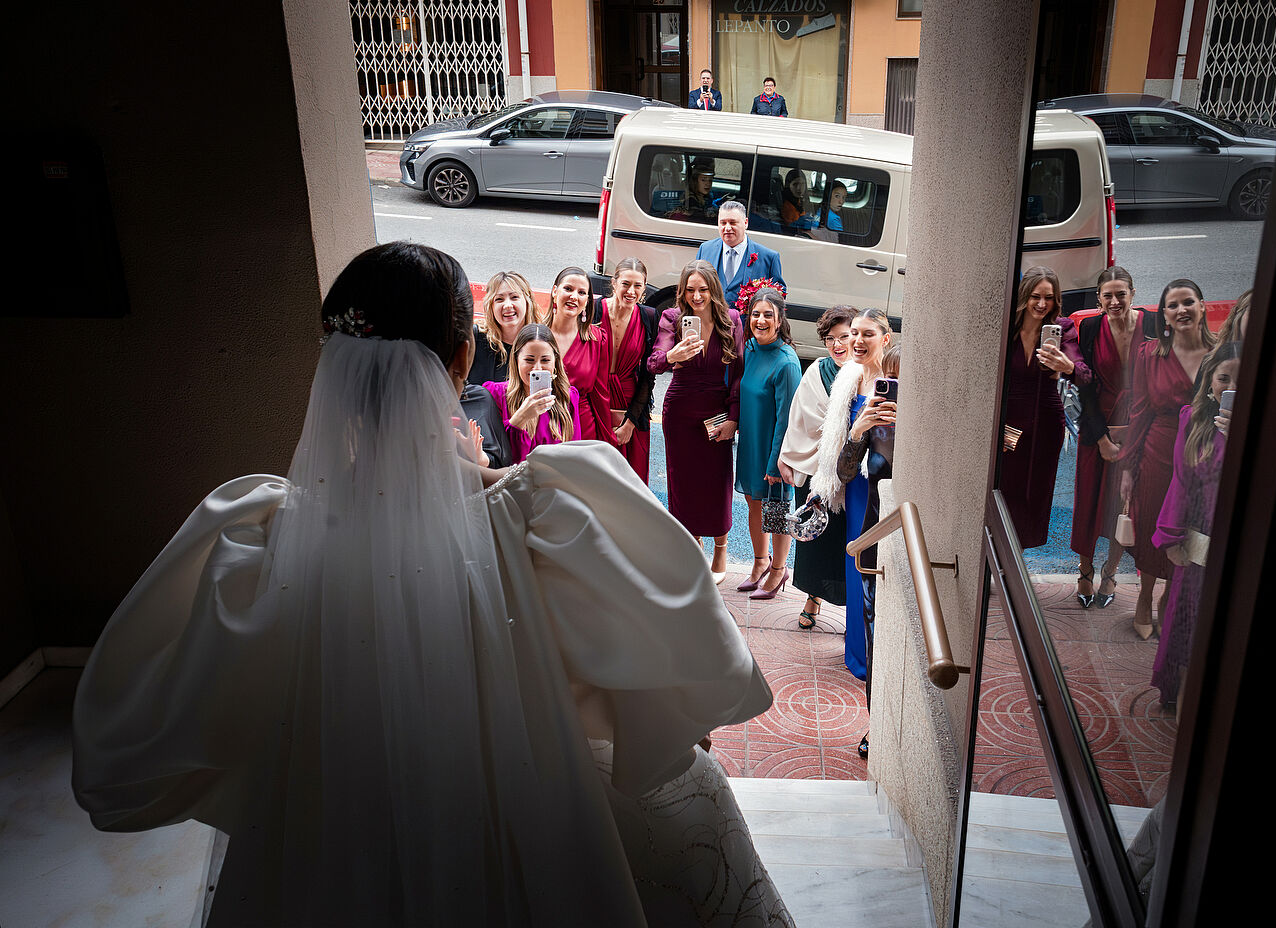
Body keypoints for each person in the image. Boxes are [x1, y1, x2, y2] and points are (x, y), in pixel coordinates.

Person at [70, 242, 788, 926]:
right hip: (531, 807)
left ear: (336, 367)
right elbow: (684, 673)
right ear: (465, 357)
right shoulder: (548, 516)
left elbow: (147, 736)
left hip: (334, 831)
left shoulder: (260, 543)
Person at [1119, 278, 1217, 639]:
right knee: (1152, 527)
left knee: (1190, 529)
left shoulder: (1219, 354)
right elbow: (1139, 412)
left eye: (1188, 302)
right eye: (1172, 305)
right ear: (1164, 315)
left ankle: (1168, 598)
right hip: (1158, 454)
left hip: (1203, 453)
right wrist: (1128, 467)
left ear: (1202, 306)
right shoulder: (1149, 354)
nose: (1181, 310)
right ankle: (1145, 597)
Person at [1151, 341, 1242, 706]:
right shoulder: (1193, 419)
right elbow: (1181, 480)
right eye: (1224, 378)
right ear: (1209, 381)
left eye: (1243, 379)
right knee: (1189, 621)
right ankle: (1185, 696)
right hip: (1200, 540)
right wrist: (1171, 536)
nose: (1232, 386)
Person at [647, 260, 745, 584]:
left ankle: (721, 548)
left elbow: (738, 374)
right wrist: (672, 355)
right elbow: (654, 362)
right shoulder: (672, 318)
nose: (697, 296)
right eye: (690, 290)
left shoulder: (731, 320)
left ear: (713, 289)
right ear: (682, 291)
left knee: (718, 481)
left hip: (716, 409)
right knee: (683, 483)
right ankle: (692, 546)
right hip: (680, 410)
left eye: (703, 289)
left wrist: (734, 418)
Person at [811, 308, 894, 683]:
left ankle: (878, 656)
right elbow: (839, 443)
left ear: (885, 339)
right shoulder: (848, 376)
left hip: (884, 486)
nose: (857, 341)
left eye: (867, 334)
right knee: (856, 563)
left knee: (879, 570)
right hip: (855, 484)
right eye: (854, 333)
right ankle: (857, 653)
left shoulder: (896, 380)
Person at [1071, 266, 1158, 607]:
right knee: (1089, 503)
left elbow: (1159, 381)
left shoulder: (1153, 324)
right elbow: (1084, 388)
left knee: (1125, 504)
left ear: (1133, 293)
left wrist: (1134, 433)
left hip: (1141, 428)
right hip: (1097, 428)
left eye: (1121, 294)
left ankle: (1110, 573)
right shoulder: (1091, 328)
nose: (1115, 301)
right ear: (1099, 298)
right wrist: (1102, 439)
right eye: (1107, 295)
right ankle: (1085, 571)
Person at [835, 343, 902, 760]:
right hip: (873, 544)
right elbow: (844, 472)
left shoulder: (926, 426)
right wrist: (859, 431)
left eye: (899, 381)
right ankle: (876, 724)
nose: (890, 387)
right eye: (887, 379)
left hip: (911, 545)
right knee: (875, 637)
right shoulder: (873, 422)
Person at [778, 305, 858, 629]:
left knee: (848, 543)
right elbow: (798, 418)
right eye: (830, 339)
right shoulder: (817, 371)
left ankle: (855, 613)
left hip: (852, 473)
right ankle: (813, 597)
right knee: (815, 540)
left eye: (844, 337)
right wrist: (786, 456)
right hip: (816, 469)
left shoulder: (865, 373)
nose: (837, 345)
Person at [1000, 265, 1090, 549]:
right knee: (1006, 489)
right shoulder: (1008, 326)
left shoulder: (1062, 329)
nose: (1041, 304)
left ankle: (1019, 557)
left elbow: (1084, 374)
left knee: (1035, 494)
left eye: (1049, 298)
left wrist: (1068, 366)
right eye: (1035, 297)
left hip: (1046, 423)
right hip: (1009, 421)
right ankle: (1000, 554)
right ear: (1024, 296)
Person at [735, 287, 803, 598]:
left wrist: (777, 462)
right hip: (750, 443)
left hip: (773, 449)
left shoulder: (787, 363)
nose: (760, 320)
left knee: (776, 510)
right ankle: (760, 562)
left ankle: (779, 569)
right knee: (753, 503)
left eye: (768, 315)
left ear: (779, 320)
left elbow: (787, 420)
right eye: (756, 314)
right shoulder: (750, 348)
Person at [482, 322, 582, 462]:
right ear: (516, 360)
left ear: (555, 362)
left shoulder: (567, 397)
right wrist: (521, 418)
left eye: (545, 360)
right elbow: (495, 454)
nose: (537, 368)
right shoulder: (495, 394)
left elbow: (574, 452)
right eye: (529, 360)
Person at [601, 257, 660, 482]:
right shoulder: (595, 310)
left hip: (631, 406)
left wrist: (630, 423)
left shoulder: (649, 317)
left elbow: (648, 375)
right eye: (625, 284)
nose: (631, 291)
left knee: (630, 480)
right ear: (614, 283)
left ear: (644, 288)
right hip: (595, 402)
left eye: (638, 285)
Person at [544, 266, 616, 446]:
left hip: (582, 429)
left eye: (582, 292)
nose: (574, 296)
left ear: (587, 301)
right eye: (568, 289)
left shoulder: (597, 340)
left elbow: (601, 395)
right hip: (540, 424)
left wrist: (605, 441)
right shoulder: (534, 334)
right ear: (554, 291)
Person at [696, 200, 785, 308]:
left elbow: (779, 294)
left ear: (745, 223)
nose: (727, 228)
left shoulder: (768, 258)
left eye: (733, 222)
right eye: (723, 223)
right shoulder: (705, 249)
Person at [468, 270, 538, 385]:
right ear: (491, 306)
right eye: (499, 299)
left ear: (527, 301)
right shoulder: (474, 337)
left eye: (514, 297)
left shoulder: (541, 341)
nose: (507, 305)